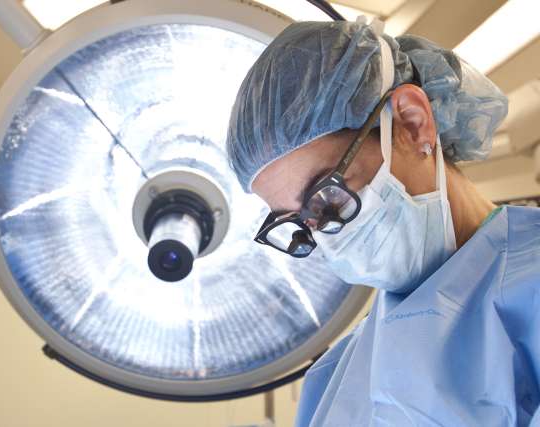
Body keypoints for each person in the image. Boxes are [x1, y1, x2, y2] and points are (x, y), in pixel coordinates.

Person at [226, 19, 540, 426]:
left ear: (411, 123)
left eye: (327, 195)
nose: (329, 236)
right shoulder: (335, 378)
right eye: (303, 224)